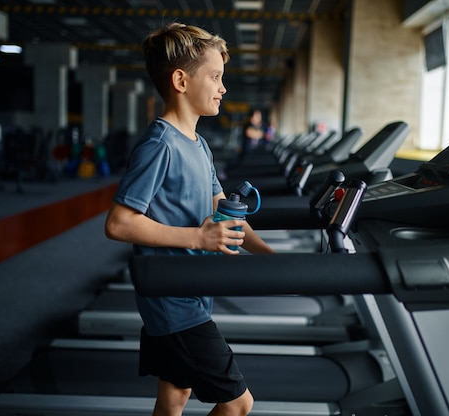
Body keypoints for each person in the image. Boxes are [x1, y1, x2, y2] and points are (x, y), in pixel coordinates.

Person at [104, 22, 274, 416]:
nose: (223, 87)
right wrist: (199, 238)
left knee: (174, 395)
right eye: (215, 77)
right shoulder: (160, 144)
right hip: (173, 300)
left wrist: (273, 259)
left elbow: (226, 212)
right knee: (238, 405)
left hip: (192, 289)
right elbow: (119, 223)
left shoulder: (199, 145)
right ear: (181, 80)